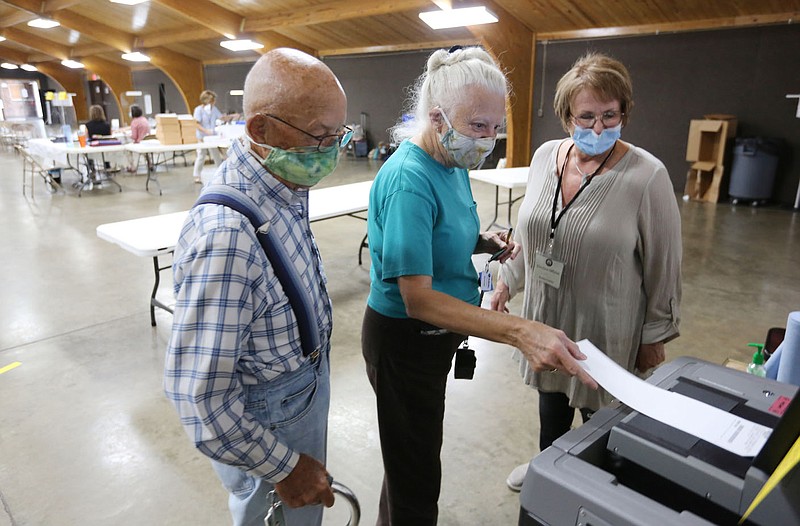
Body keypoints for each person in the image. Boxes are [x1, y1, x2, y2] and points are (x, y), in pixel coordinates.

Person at [362, 45, 598, 526]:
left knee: (412, 451)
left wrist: (479, 239)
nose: (489, 140)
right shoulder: (410, 178)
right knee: (416, 474)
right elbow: (417, 297)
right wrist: (516, 331)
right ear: (438, 118)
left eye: (496, 128)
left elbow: (440, 229)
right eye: (478, 127)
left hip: (436, 340)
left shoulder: (450, 163)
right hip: (406, 342)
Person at [165, 48, 353, 526]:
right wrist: (283, 468)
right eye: (320, 136)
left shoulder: (280, 182)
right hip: (270, 424)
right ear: (261, 130)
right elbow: (201, 398)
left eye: (338, 135)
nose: (330, 150)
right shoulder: (227, 238)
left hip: (299, 391)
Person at [491, 52, 682, 491]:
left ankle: (594, 493)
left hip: (607, 325)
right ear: (566, 117)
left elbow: (664, 265)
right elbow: (532, 229)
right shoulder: (545, 158)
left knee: (604, 420)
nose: (598, 128)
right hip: (548, 315)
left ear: (624, 113)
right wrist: (508, 279)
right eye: (587, 116)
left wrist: (653, 338)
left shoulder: (647, 176)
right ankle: (548, 471)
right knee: (550, 402)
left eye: (610, 115)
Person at [192, 89, 223, 183]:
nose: (214, 102)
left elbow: (220, 117)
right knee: (201, 155)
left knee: (216, 154)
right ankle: (196, 175)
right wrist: (206, 131)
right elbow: (196, 124)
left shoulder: (214, 109)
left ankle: (221, 172)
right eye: (212, 100)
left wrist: (231, 116)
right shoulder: (198, 110)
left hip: (212, 137)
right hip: (202, 137)